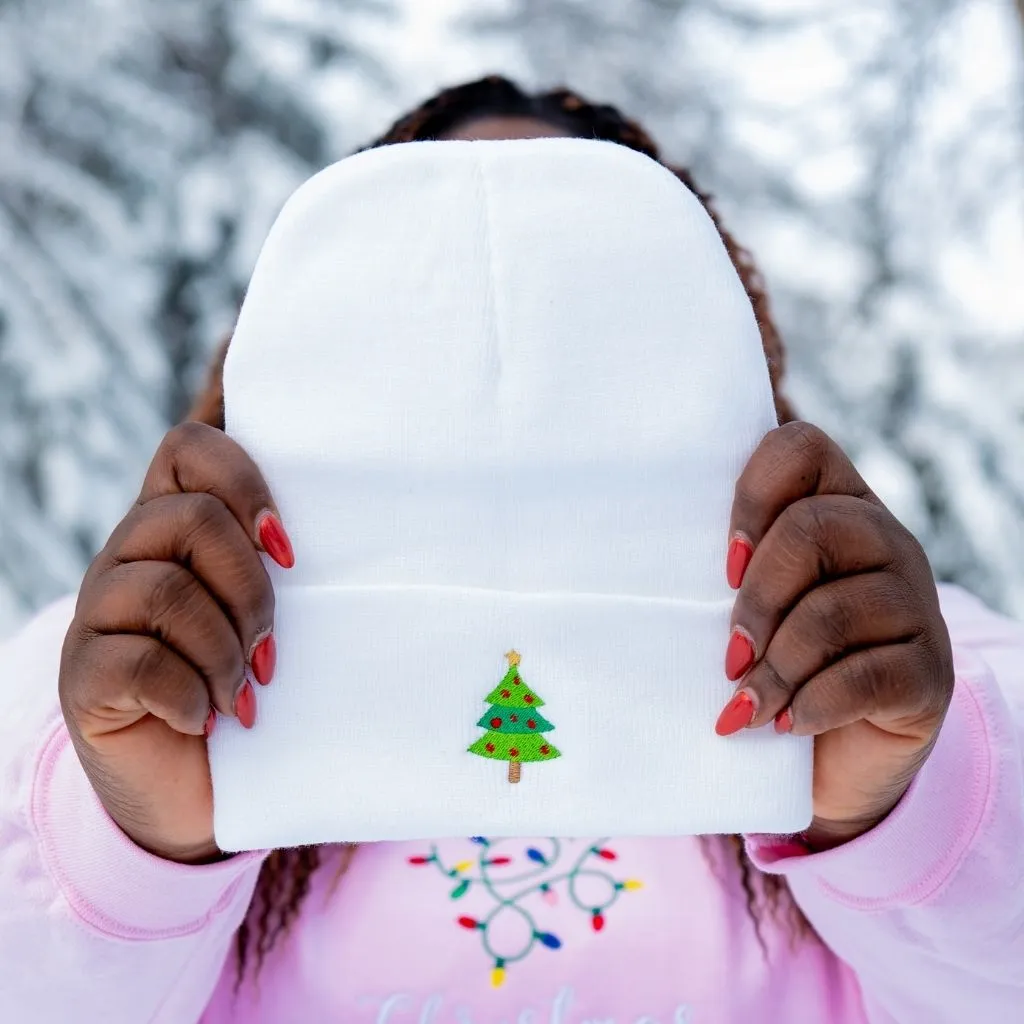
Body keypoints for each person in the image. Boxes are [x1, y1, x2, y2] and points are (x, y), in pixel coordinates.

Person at [0, 75, 1021, 1024]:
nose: (514, 369)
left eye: (589, 295)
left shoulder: (926, 670)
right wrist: (127, 847)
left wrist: (905, 811)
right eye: (425, 303)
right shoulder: (97, 691)